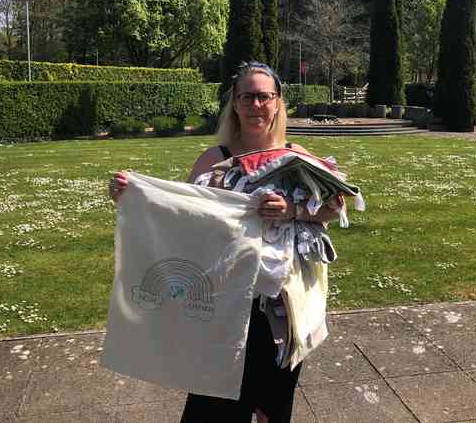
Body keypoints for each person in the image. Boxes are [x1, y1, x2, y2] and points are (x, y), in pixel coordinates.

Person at [109, 61, 338, 423]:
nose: (256, 105)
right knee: (213, 402)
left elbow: (332, 207)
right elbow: (181, 214)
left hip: (280, 305)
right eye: (247, 97)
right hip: (224, 304)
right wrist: (133, 195)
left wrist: (292, 209)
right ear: (235, 103)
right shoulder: (214, 159)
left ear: (278, 102)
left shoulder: (298, 157)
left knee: (273, 408)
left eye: (264, 96)